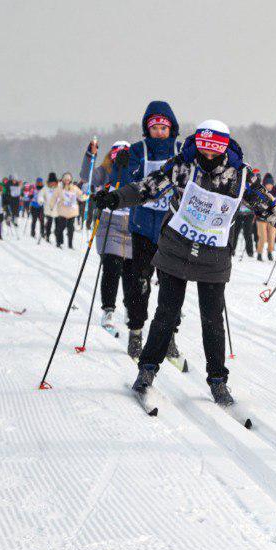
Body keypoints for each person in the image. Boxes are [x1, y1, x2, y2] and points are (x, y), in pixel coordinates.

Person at [93, 120, 276, 404]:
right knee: (166, 313)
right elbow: (147, 188)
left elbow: (270, 208)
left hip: (214, 254)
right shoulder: (183, 165)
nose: (208, 158)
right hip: (175, 247)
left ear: (223, 149)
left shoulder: (240, 175)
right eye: (203, 151)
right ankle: (147, 369)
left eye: (214, 153)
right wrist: (115, 198)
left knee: (212, 319)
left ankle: (218, 380)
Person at [120, 101, 183, 358]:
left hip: (173, 228)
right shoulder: (139, 150)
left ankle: (168, 335)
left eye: (163, 127)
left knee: (172, 284)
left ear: (171, 128)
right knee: (140, 281)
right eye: (154, 127)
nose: (159, 132)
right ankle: (136, 331)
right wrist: (125, 166)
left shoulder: (182, 150)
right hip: (143, 226)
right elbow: (130, 182)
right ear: (147, 128)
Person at [81, 139, 134, 333]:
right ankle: (108, 310)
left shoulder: (135, 171)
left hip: (132, 226)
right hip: (109, 223)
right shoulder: (104, 171)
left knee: (131, 273)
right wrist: (90, 155)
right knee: (112, 267)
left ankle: (132, 309)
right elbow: (86, 176)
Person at [46, 172, 86, 248]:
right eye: (65, 179)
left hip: (72, 212)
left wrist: (86, 196)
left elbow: (80, 196)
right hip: (62, 211)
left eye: (68, 179)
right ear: (63, 180)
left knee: (71, 229)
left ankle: (70, 244)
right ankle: (59, 242)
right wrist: (51, 206)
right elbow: (54, 197)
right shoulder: (59, 188)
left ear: (70, 180)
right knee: (60, 228)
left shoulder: (74, 188)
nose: (67, 181)